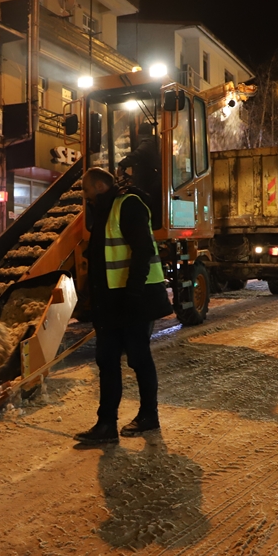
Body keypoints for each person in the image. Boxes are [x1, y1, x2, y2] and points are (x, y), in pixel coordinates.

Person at [74, 168, 173, 445]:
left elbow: (143, 250)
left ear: (100, 187)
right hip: (110, 301)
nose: (85, 197)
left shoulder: (128, 205)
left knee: (138, 359)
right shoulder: (103, 211)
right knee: (106, 361)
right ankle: (106, 425)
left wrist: (133, 293)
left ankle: (148, 416)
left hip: (132, 299)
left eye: (86, 191)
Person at [116, 122, 162, 229]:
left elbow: (139, 153)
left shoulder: (148, 142)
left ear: (139, 132)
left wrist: (123, 164)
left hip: (150, 183)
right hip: (151, 181)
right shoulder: (153, 142)